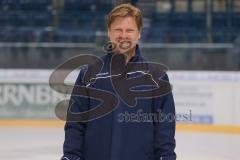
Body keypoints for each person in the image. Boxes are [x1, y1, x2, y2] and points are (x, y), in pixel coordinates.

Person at [61, 3, 176, 160]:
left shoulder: (156, 76)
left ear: (139, 33)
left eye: (129, 30)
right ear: (109, 32)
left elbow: (164, 127)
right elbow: (75, 124)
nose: (123, 35)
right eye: (118, 30)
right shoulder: (89, 74)